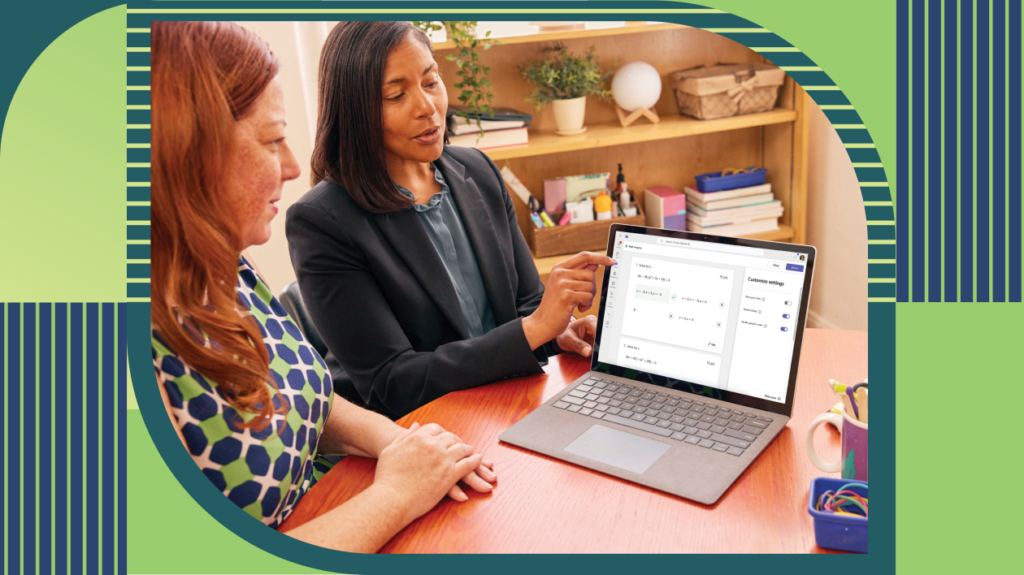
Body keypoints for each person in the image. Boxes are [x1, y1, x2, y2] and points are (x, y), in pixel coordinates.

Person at [149, 21, 496, 553]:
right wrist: (397, 494)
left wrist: (402, 444)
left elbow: (303, 400)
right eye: (271, 141)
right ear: (184, 157)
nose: (292, 167)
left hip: (341, 501)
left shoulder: (226, 268)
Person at [286, 21, 615, 420]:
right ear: (355, 110)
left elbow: (525, 304)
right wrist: (533, 331)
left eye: (431, 81)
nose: (427, 107)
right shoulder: (322, 222)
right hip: (418, 430)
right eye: (396, 95)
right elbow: (393, 381)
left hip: (503, 404)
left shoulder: (476, 170)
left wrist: (555, 334)